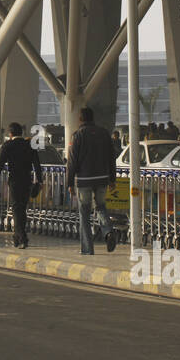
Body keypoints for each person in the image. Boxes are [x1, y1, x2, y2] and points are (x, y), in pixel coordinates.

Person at [66, 106, 115, 255]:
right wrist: (112, 179)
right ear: (93, 118)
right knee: (101, 207)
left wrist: (69, 183)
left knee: (84, 213)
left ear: (80, 119)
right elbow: (111, 157)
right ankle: (108, 231)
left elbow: (72, 161)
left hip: (84, 179)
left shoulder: (77, 136)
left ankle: (87, 249)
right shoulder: (104, 133)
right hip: (102, 178)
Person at [0, 122, 42, 249]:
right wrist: (39, 180)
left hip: (14, 180)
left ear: (10, 133)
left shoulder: (8, 145)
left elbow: (0, 163)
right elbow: (37, 164)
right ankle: (17, 237)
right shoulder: (29, 145)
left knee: (16, 208)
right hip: (27, 180)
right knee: (22, 208)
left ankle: (22, 237)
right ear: (21, 132)